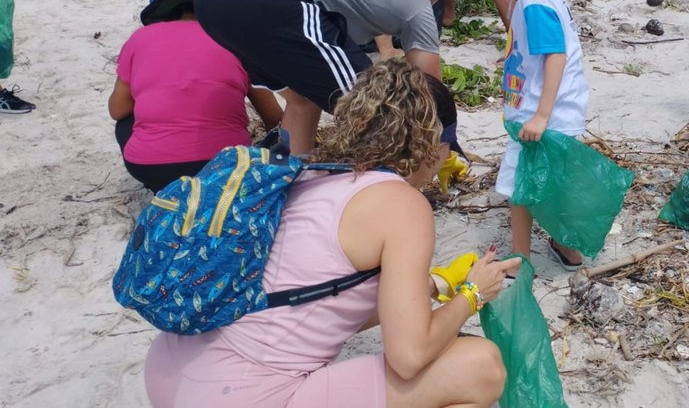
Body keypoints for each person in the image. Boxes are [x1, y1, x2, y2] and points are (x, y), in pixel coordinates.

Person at [142, 60, 514, 407]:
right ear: (433, 147)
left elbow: (324, 305)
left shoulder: (308, 170)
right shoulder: (402, 204)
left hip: (170, 369)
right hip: (241, 392)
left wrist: (437, 284)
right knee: (481, 366)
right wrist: (472, 294)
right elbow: (409, 357)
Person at [193, 0, 446, 154]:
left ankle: (287, 182)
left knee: (302, 96)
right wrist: (444, 143)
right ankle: (382, 193)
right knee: (377, 105)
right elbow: (429, 91)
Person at [466, 0, 591, 269]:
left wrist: (541, 115)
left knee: (526, 187)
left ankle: (524, 256)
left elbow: (555, 56)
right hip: (545, 110)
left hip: (543, 115)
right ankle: (559, 248)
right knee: (537, 185)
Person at [109, 0, 283, 191]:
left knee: (127, 118)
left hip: (150, 167)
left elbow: (117, 110)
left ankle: (162, 188)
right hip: (226, 166)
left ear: (173, 12)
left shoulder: (140, 38)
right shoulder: (236, 40)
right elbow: (273, 117)